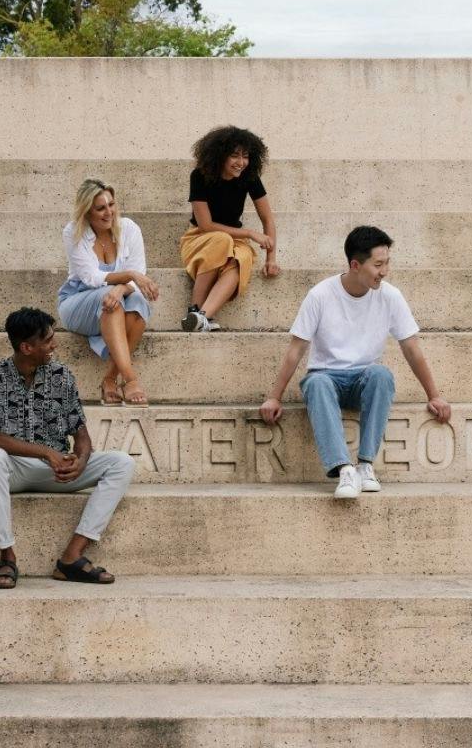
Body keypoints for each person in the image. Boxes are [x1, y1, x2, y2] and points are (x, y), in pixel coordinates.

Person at [259, 225, 451, 499]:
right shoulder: (320, 295)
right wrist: (274, 397)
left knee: (381, 375)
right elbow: (296, 349)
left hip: (363, 379)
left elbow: (411, 348)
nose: (384, 271)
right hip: (327, 378)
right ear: (355, 265)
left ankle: (364, 465)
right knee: (317, 383)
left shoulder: (390, 296)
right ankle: (343, 469)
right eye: (378, 264)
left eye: (387, 263)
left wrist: (434, 395)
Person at [0, 306, 137, 589]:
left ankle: (72, 557)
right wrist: (45, 452)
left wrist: (82, 460)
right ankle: (7, 557)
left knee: (122, 463)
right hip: (16, 469)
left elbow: (81, 434)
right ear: (26, 347)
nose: (54, 345)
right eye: (47, 340)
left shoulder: (61, 375)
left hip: (59, 471)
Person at [56, 178, 158, 406]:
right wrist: (129, 277)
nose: (108, 212)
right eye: (100, 208)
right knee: (109, 299)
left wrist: (122, 287)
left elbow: (138, 274)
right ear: (86, 211)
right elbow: (91, 278)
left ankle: (110, 379)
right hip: (77, 302)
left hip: (114, 300)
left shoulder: (129, 228)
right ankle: (130, 380)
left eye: (111, 205)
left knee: (139, 304)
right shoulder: (73, 231)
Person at [179, 125, 280, 331]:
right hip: (200, 238)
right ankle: (194, 308)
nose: (241, 163)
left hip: (234, 241)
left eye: (245, 156)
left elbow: (267, 219)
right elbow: (206, 225)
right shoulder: (199, 176)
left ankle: (201, 317)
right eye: (234, 156)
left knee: (241, 260)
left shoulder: (249, 177)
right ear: (220, 155)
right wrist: (250, 233)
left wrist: (271, 259)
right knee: (220, 239)